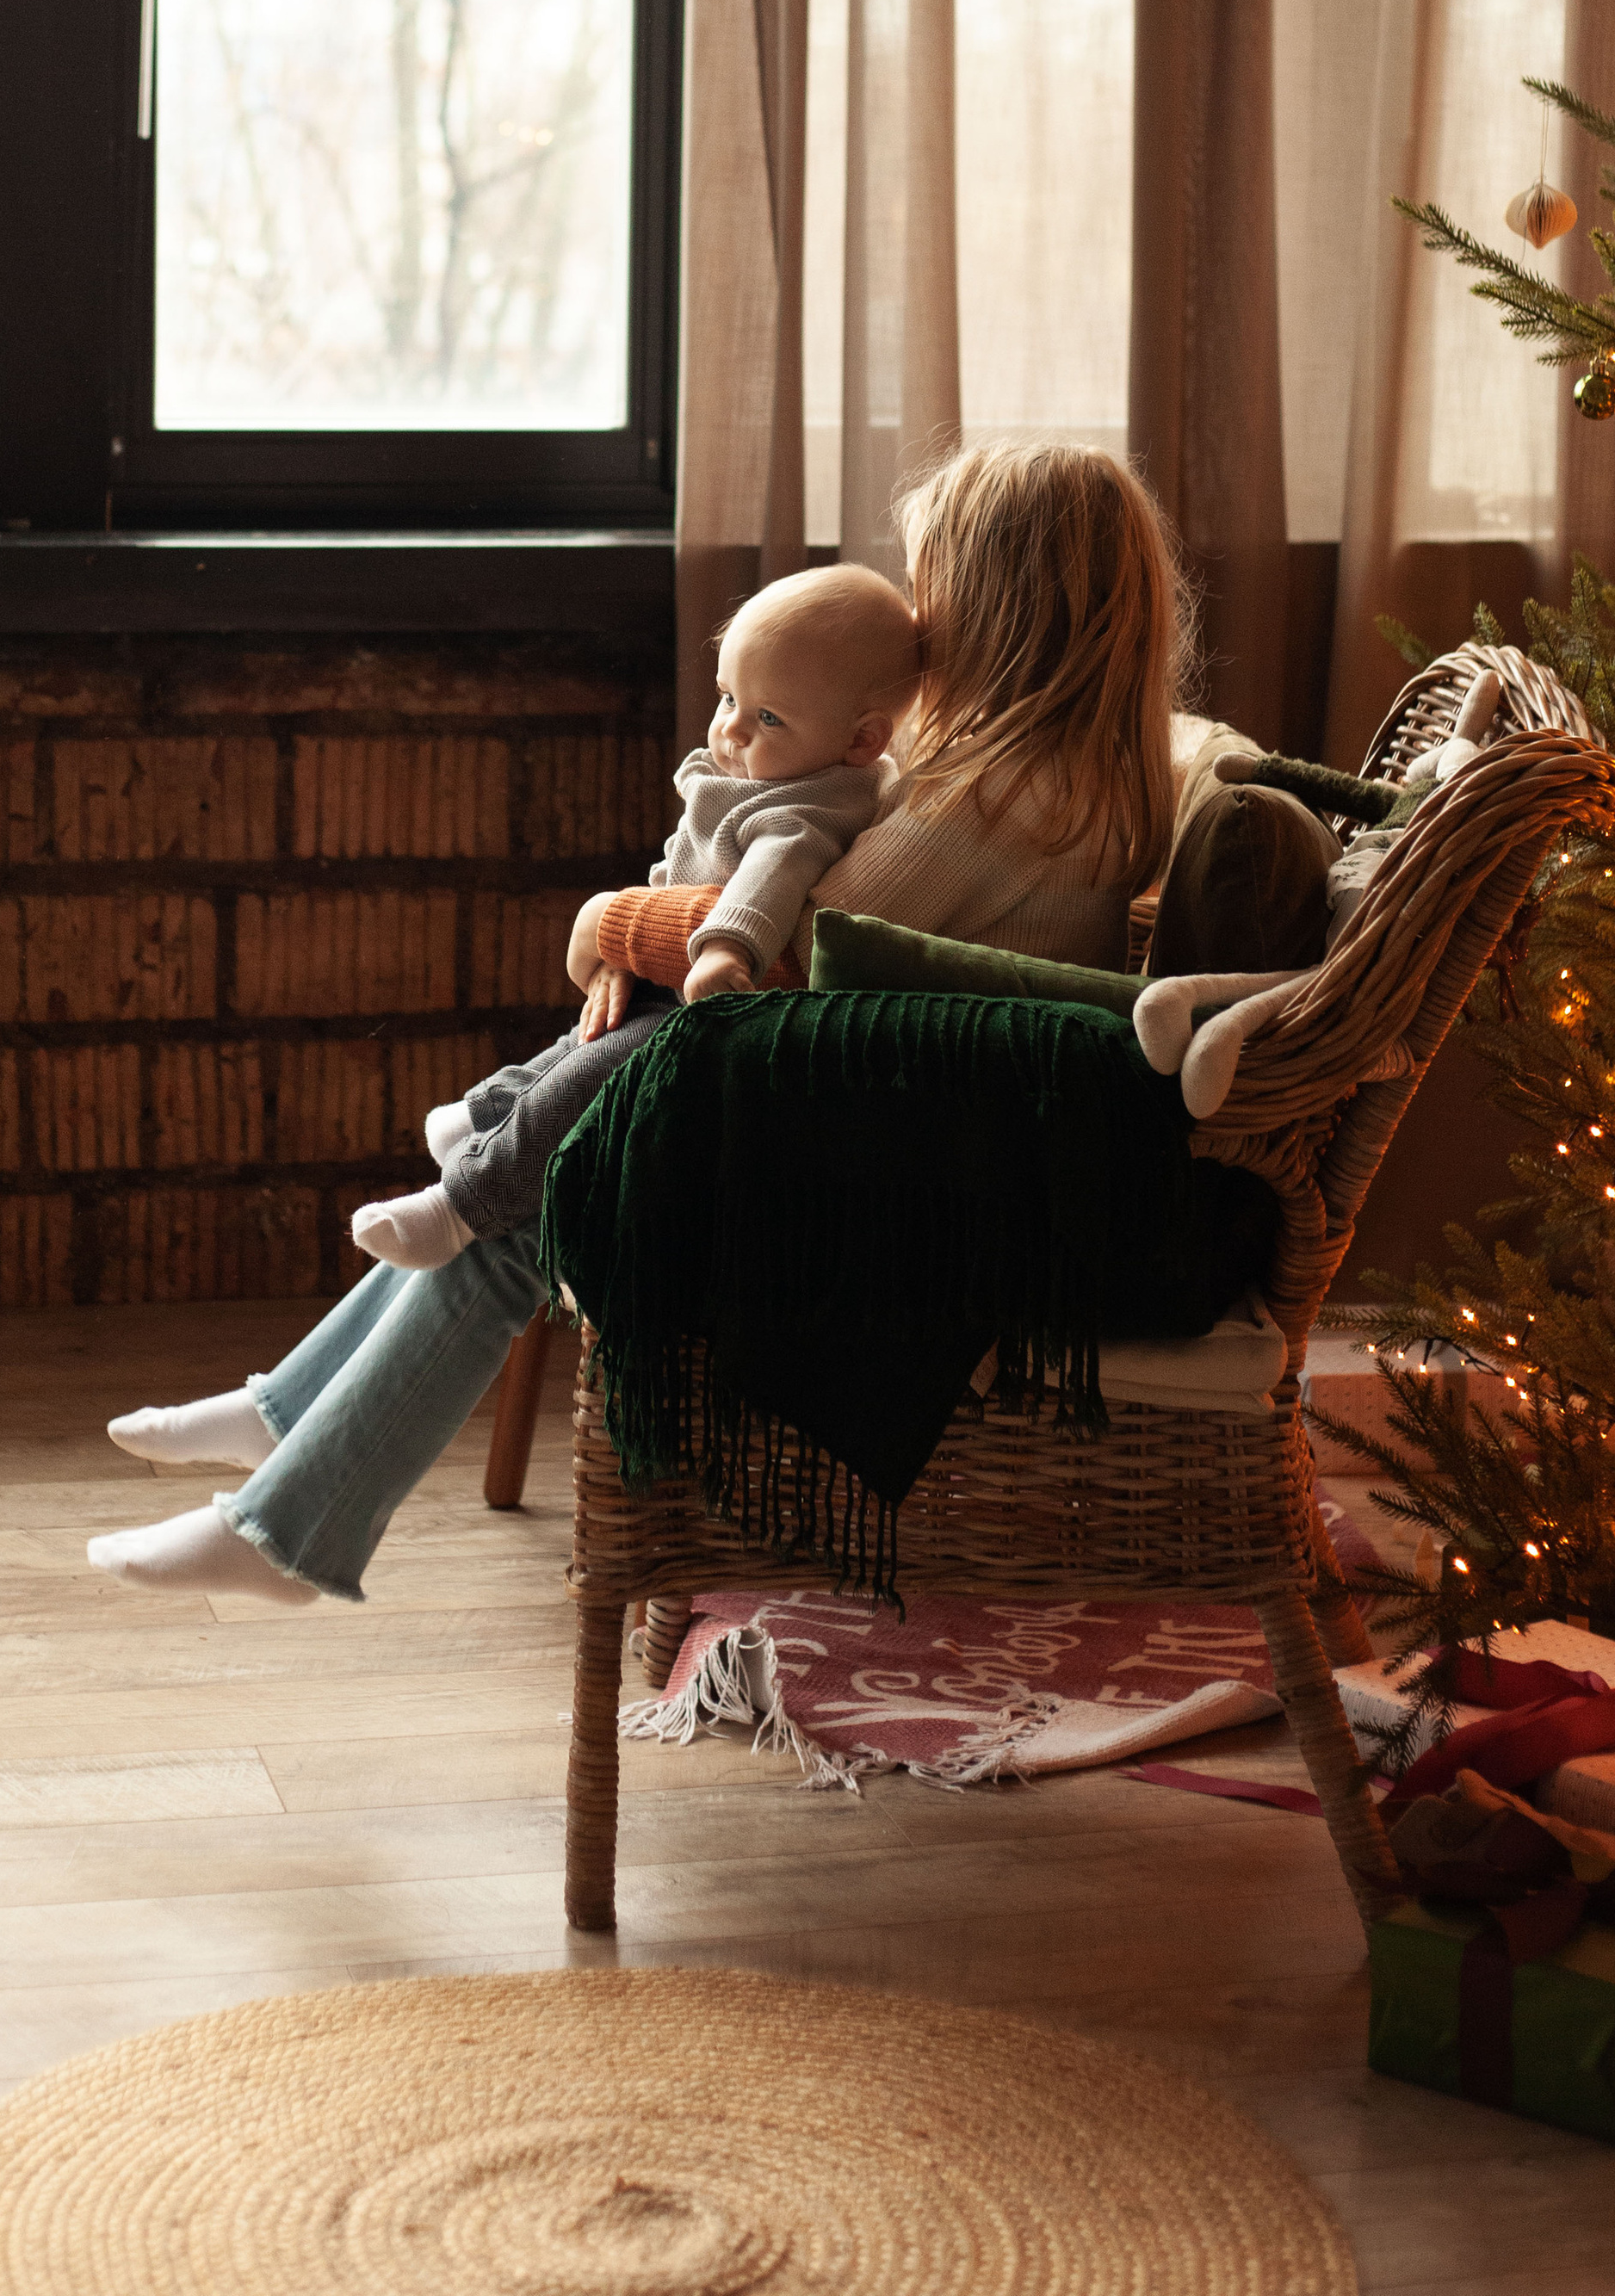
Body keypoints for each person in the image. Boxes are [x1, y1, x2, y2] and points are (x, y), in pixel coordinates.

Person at [86, 441, 1187, 1611]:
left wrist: (616, 920)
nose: (914, 620)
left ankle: (291, 1525)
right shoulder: (1066, 772)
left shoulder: (995, 802)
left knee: (544, 1209)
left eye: (934, 594)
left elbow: (788, 950)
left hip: (906, 1183)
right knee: (541, 1180)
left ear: (999, 611)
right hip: (902, 1130)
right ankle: (288, 1431)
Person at [343, 560, 916, 1272]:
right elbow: (674, 870)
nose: (731, 730)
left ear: (863, 740)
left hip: (708, 1010)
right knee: (578, 1043)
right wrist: (624, 947)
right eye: (728, 697)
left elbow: (768, 882)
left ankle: (461, 1209)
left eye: (767, 717)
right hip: (666, 979)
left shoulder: (811, 805)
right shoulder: (746, 771)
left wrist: (724, 952)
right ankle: (487, 1114)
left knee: (590, 1080)